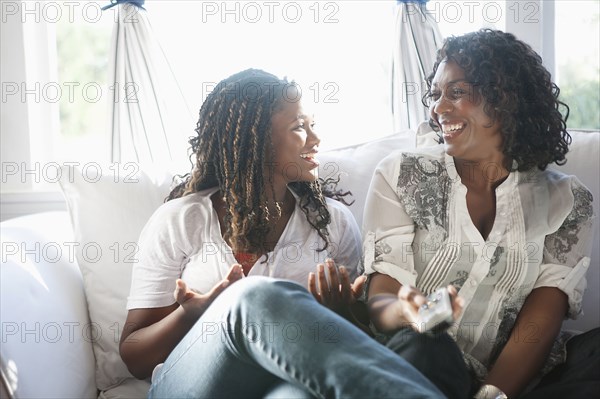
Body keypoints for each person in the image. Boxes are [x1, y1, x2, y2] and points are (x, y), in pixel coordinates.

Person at [119, 69, 445, 398]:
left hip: (282, 382)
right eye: (299, 128)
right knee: (252, 298)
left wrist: (339, 313)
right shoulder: (181, 220)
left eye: (312, 126)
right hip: (196, 384)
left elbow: (357, 346)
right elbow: (135, 357)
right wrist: (192, 314)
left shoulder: (332, 224)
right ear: (255, 139)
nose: (316, 140)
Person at [363, 29, 597, 398]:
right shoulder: (402, 175)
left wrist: (491, 395)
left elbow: (543, 316)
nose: (439, 108)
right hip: (418, 362)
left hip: (515, 381)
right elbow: (382, 299)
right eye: (436, 94)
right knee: (426, 345)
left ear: (505, 100)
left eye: (457, 93)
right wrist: (409, 313)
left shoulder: (566, 200)